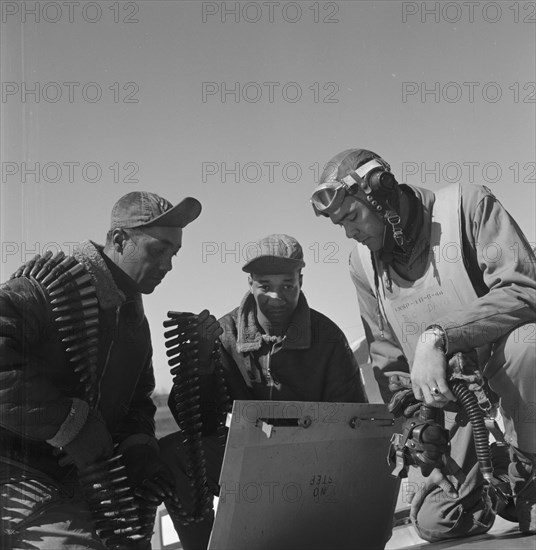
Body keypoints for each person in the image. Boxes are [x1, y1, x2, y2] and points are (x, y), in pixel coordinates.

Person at [310, 148, 536, 541]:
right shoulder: (362, 264)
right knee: (436, 521)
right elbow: (388, 359)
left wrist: (438, 336)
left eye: (352, 217)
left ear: (380, 194)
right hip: (458, 402)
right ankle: (497, 469)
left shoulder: (467, 206)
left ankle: (529, 467)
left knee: (527, 345)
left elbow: (523, 289)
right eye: (340, 225)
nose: (350, 233)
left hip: (513, 381)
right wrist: (416, 423)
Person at [0, 191, 202, 550]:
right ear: (119, 240)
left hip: (83, 476)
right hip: (19, 474)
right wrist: (68, 425)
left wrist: (138, 446)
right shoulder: (46, 289)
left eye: (174, 253)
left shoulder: (133, 319)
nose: (168, 265)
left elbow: (138, 398)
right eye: (159, 250)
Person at [160, 233, 366, 550]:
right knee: (175, 454)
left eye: (287, 285)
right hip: (248, 461)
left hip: (313, 464)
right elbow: (196, 421)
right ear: (251, 284)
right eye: (265, 286)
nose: (276, 297)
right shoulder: (224, 336)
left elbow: (354, 423)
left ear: (301, 280)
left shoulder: (328, 339)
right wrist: (198, 364)